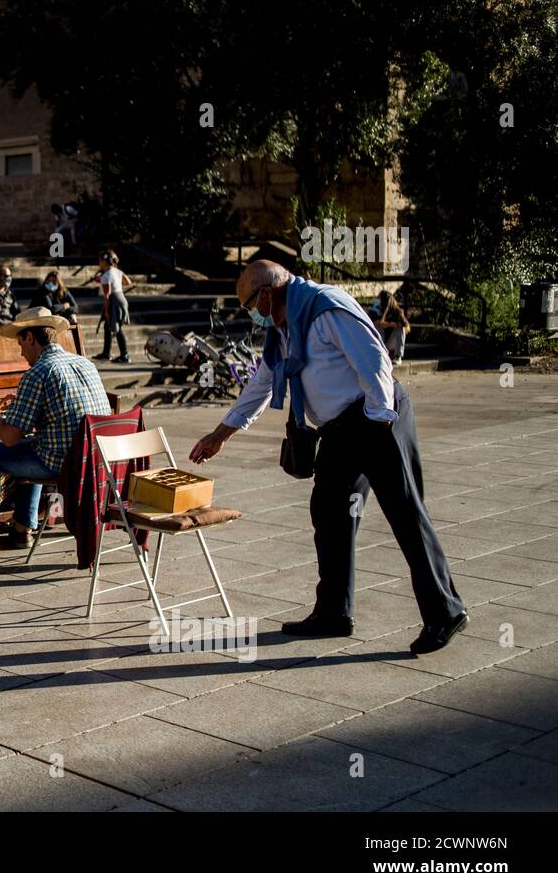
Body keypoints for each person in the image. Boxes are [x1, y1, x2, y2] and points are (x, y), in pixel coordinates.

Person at [188, 260, 468, 655]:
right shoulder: (282, 329)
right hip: (339, 428)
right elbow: (262, 384)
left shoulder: (326, 308)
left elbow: (373, 361)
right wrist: (221, 434)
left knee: (405, 512)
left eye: (249, 303)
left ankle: (445, 611)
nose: (249, 313)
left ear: (267, 295)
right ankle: (334, 612)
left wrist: (379, 421)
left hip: (377, 415)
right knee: (330, 512)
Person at [0, 307, 111, 559]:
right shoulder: (85, 363)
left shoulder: (38, 371)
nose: (21, 352)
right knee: (34, 442)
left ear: (30, 338)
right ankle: (22, 530)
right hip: (93, 461)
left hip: (62, 465)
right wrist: (22, 402)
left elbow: (8, 437)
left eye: (20, 344)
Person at [95, 249, 133, 363]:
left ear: (105, 261)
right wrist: (117, 282)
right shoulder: (116, 271)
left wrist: (106, 311)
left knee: (117, 329)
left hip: (114, 301)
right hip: (122, 298)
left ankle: (125, 354)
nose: (99, 263)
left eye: (100, 260)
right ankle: (106, 353)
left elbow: (107, 295)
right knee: (107, 326)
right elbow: (128, 282)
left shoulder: (105, 275)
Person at [369, 290, 410, 366]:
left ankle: (398, 356)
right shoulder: (375, 310)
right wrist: (389, 323)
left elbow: (407, 326)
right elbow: (375, 323)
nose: (377, 299)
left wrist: (392, 324)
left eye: (379, 297)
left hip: (391, 341)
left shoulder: (397, 311)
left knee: (401, 328)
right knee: (377, 326)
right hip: (381, 340)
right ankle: (377, 353)